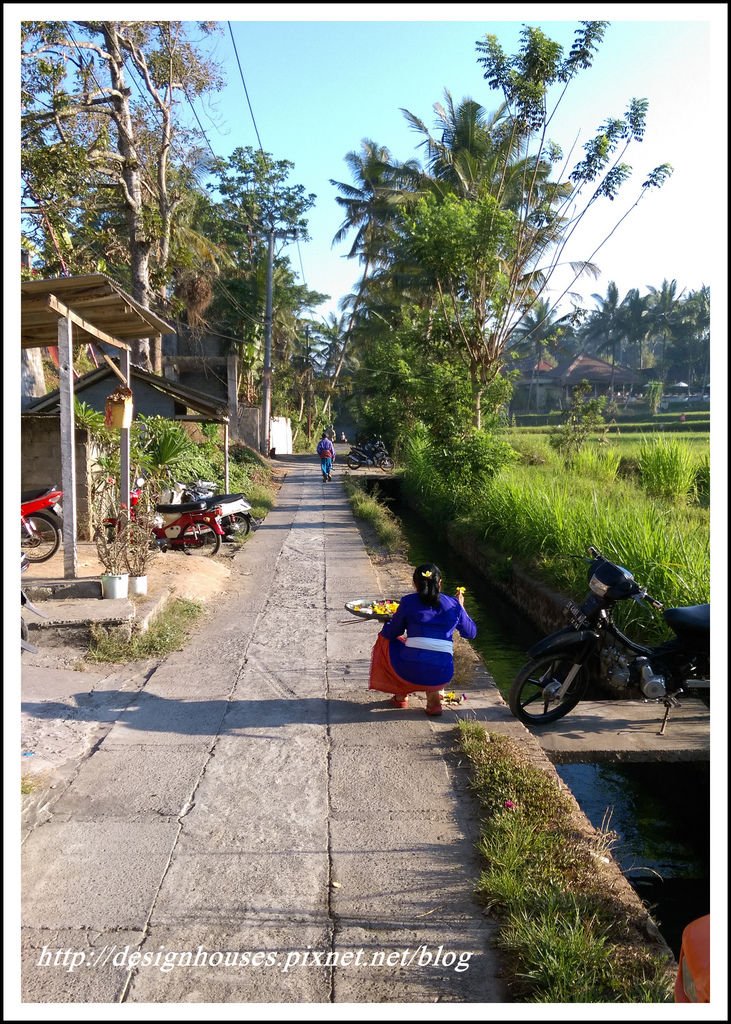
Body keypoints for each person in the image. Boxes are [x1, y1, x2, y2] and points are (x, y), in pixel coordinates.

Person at [368, 563, 477, 716]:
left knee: (386, 640)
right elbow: (471, 633)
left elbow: (391, 632)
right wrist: (461, 606)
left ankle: (401, 695)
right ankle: (433, 700)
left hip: (409, 671)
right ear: (439, 583)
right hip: (442, 673)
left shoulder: (408, 602)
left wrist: (388, 621)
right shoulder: (453, 604)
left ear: (414, 583)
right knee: (432, 656)